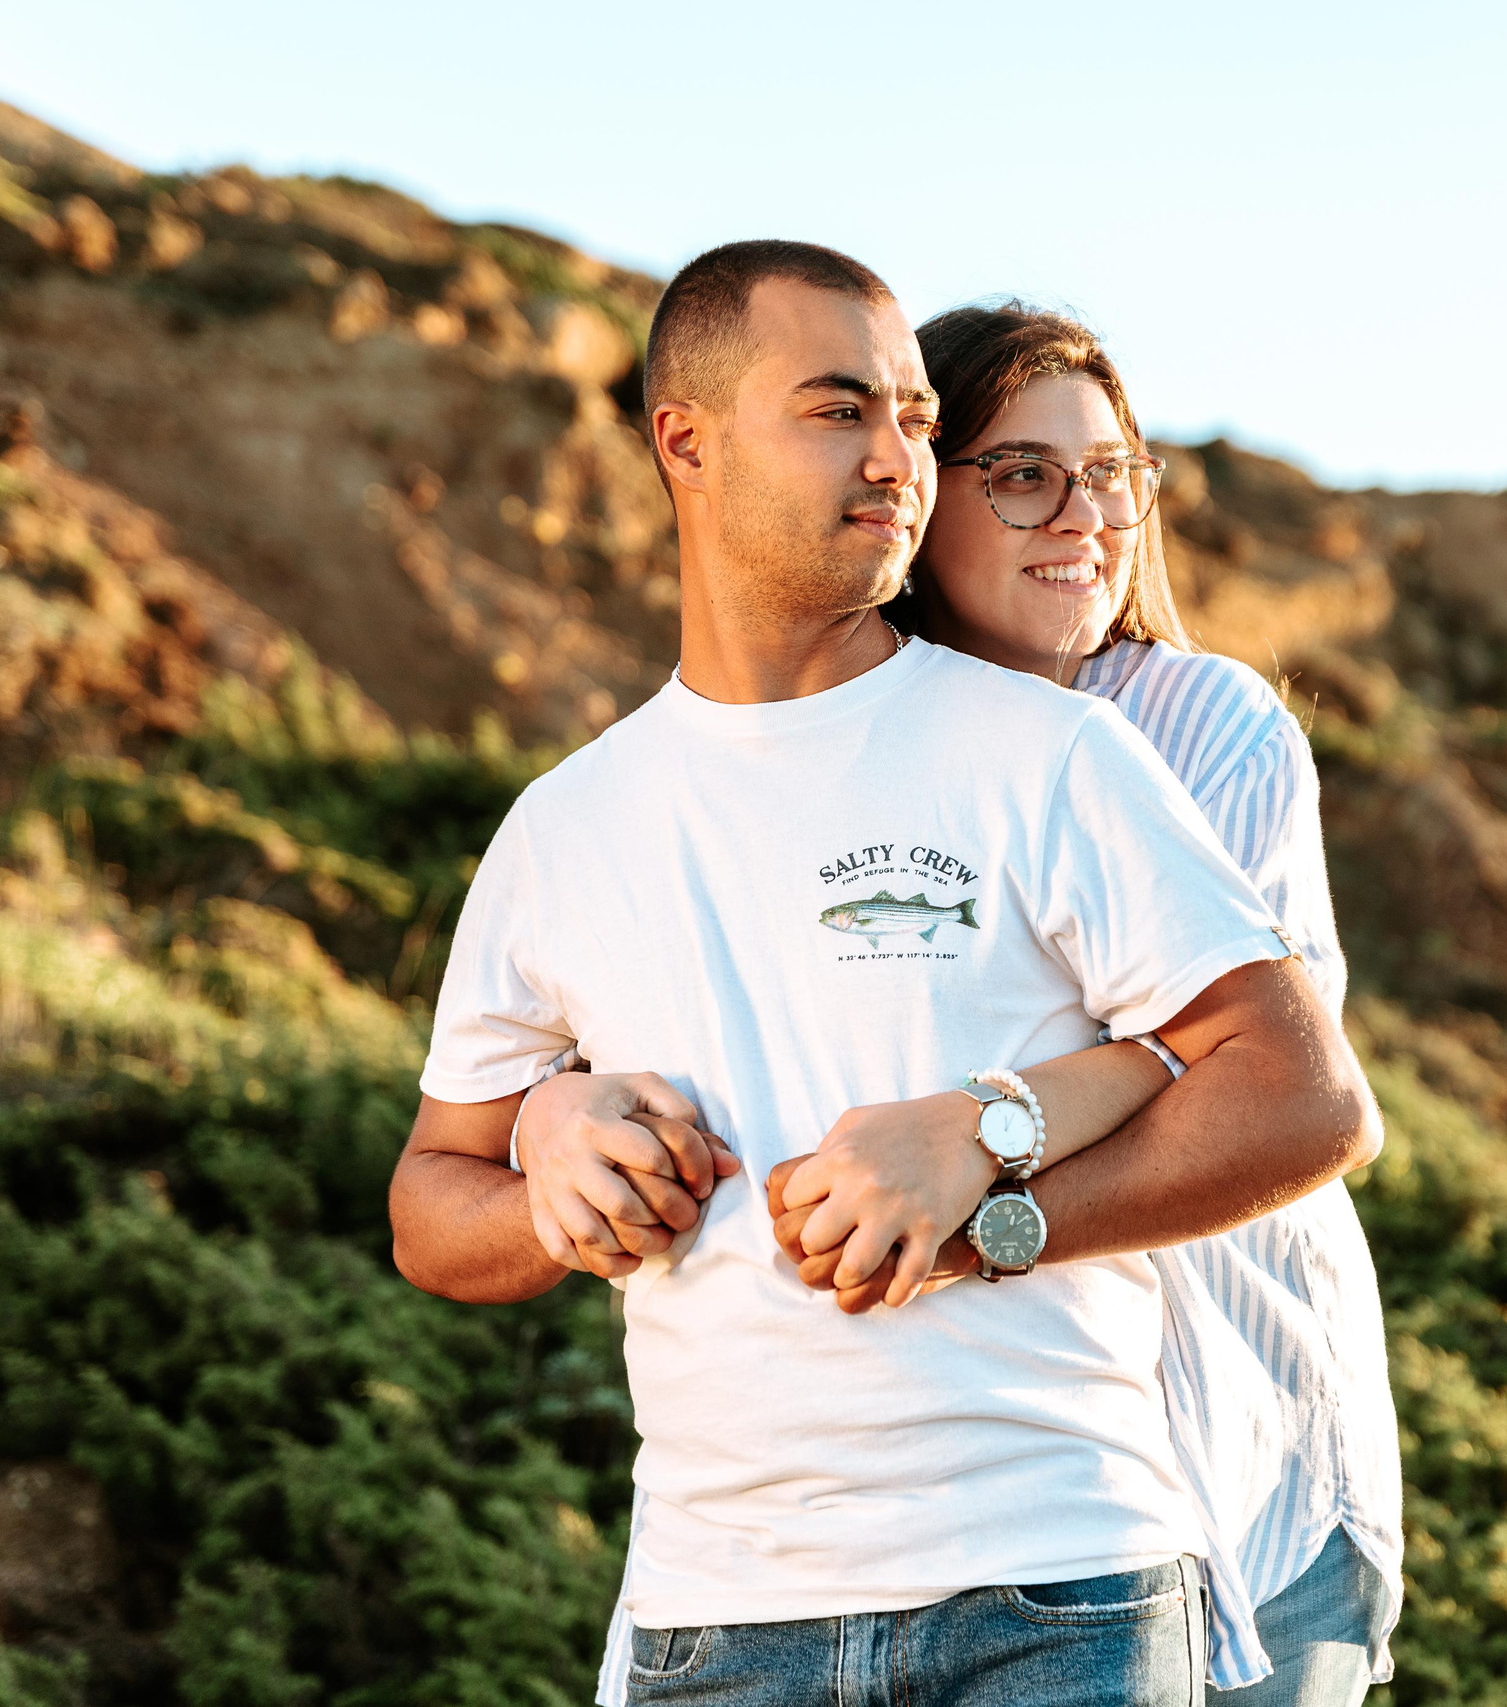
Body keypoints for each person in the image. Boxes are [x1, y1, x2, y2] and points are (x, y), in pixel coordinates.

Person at [388, 241, 1379, 1707]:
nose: (893, 458)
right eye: (842, 410)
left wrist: (988, 1193)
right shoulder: (565, 827)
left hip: (1071, 1590)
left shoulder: (1072, 748)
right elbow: (431, 1199)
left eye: (916, 419)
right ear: (686, 440)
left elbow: (1301, 1098)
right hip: (716, 1622)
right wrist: (552, 1177)